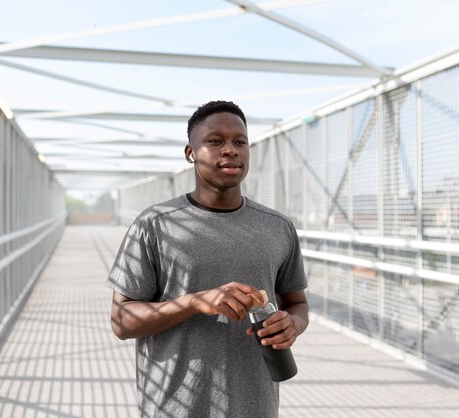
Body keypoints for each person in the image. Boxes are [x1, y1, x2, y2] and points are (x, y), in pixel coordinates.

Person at [106, 100, 308, 418]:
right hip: (173, 407)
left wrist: (292, 324)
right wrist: (196, 302)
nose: (230, 150)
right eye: (215, 141)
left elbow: (297, 302)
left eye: (240, 142)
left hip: (256, 408)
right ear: (190, 153)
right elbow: (121, 321)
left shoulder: (277, 227)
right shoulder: (154, 224)